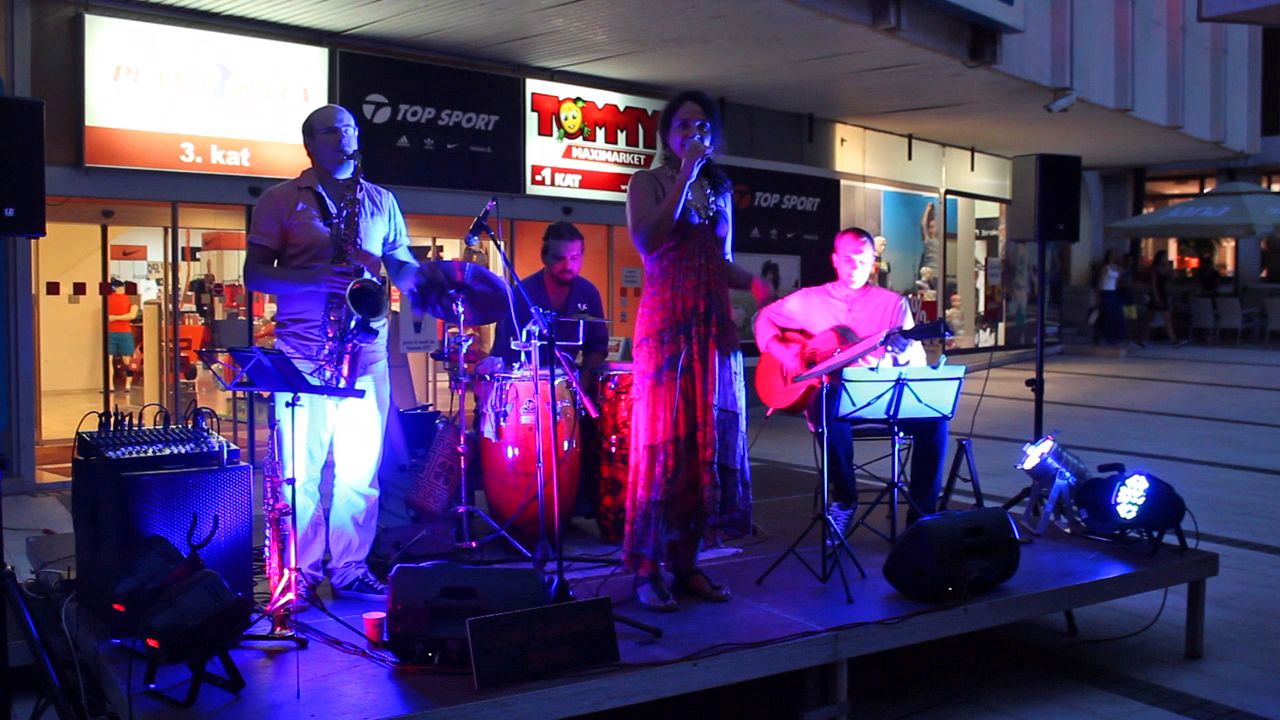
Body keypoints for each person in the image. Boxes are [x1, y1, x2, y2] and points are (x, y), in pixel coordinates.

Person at [244, 104, 426, 603]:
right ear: (309, 145)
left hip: (364, 351)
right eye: (332, 131)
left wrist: (434, 280)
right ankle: (299, 572)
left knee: (359, 473)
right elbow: (255, 274)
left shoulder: (380, 200)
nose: (345, 137)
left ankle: (348, 567)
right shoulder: (281, 199)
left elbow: (400, 263)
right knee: (300, 473)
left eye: (350, 129)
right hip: (303, 352)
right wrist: (314, 278)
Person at [623, 90, 763, 611]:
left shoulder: (719, 190)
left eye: (703, 127)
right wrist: (683, 176)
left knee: (704, 447)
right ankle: (647, 569)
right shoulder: (647, 182)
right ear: (666, 134)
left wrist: (759, 287)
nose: (694, 134)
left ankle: (687, 564)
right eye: (684, 125)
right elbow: (648, 241)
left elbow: (721, 262)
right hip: (666, 327)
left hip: (711, 326)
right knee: (663, 447)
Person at [755, 228, 948, 537]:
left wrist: (901, 353)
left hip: (880, 397)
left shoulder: (892, 304)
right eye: (848, 259)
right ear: (835, 260)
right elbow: (764, 318)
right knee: (828, 400)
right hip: (831, 401)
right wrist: (782, 352)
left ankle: (922, 518)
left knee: (935, 421)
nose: (855, 266)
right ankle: (845, 499)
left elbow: (915, 366)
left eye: (862, 260)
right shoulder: (810, 299)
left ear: (873, 262)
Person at [487, 221, 608, 383]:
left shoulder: (588, 293)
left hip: (571, 385)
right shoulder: (522, 294)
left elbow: (597, 347)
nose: (568, 265)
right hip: (526, 384)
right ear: (544, 257)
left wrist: (581, 387)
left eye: (574, 258)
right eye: (559, 258)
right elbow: (503, 351)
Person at [1144, 250, 1186, 347]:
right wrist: (1156, 297)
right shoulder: (1155, 269)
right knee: (1150, 318)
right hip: (1156, 293)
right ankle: (1143, 337)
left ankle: (1173, 339)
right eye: (1164, 257)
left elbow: (1172, 278)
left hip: (1163, 293)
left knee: (1167, 318)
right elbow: (1153, 284)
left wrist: (1169, 268)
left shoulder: (1165, 268)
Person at [106, 278, 137, 394]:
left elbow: (132, 315)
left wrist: (114, 318)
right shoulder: (109, 298)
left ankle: (127, 384)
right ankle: (111, 385)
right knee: (110, 359)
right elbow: (131, 315)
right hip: (114, 331)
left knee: (126, 359)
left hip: (122, 331)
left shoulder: (129, 298)